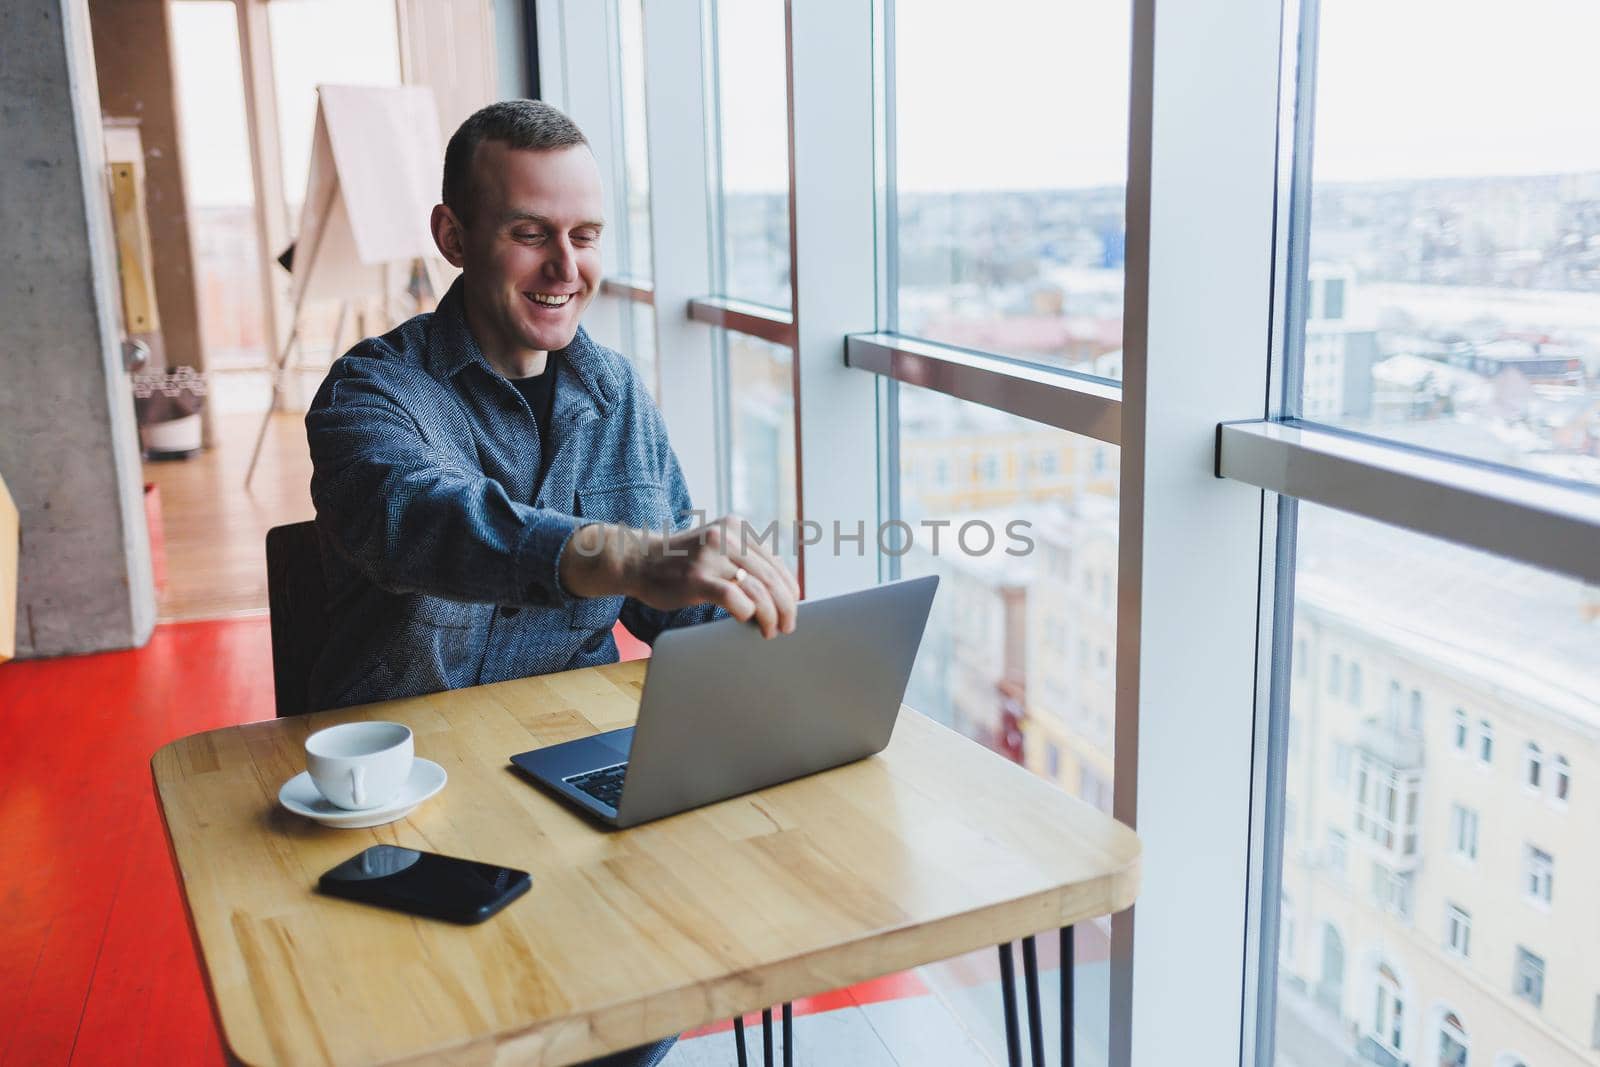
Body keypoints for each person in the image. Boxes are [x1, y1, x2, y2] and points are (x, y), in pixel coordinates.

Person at [304, 100, 798, 1067]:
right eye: (531, 235)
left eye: (585, 236)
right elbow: (419, 519)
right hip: (400, 811)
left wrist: (764, 627)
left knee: (654, 990)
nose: (567, 270)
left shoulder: (615, 392)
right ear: (453, 236)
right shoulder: (371, 393)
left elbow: (680, 605)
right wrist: (620, 557)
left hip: (567, 786)